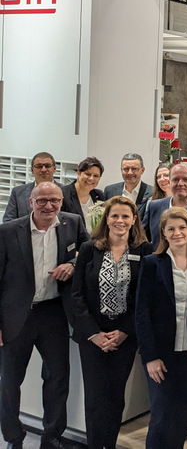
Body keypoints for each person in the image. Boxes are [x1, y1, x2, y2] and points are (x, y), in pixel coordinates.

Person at [0, 182, 88, 449]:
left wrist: (72, 265)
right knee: (9, 382)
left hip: (53, 313)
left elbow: (87, 254)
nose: (49, 206)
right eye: (42, 201)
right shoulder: (7, 231)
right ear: (31, 202)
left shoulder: (72, 223)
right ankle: (13, 438)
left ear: (62, 201)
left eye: (54, 200)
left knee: (57, 378)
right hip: (16, 316)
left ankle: (51, 437)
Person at [70, 196, 151, 449]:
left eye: (125, 216)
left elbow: (145, 296)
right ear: (106, 219)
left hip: (124, 335)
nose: (120, 220)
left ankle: (109, 444)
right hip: (92, 336)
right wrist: (93, 333)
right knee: (95, 397)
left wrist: (125, 331)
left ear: (134, 220)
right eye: (114, 215)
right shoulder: (89, 248)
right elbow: (77, 295)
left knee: (115, 396)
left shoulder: (144, 250)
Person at [135, 207, 187, 449]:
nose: (177, 232)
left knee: (181, 418)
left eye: (182, 227)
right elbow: (142, 312)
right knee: (161, 415)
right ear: (163, 232)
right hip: (160, 354)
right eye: (171, 228)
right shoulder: (152, 263)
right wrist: (150, 357)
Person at [143, 163, 187, 250]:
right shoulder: (154, 207)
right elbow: (142, 239)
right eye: (175, 179)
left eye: (186, 179)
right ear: (169, 183)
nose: (180, 183)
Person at [3, 152, 56, 223]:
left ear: (54, 168)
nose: (43, 170)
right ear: (32, 170)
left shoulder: (66, 192)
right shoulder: (18, 192)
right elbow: (8, 222)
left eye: (47, 166)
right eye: (39, 166)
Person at [61, 156, 106, 233]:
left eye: (96, 176)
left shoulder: (99, 195)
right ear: (78, 173)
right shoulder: (63, 194)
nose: (91, 178)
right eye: (88, 174)